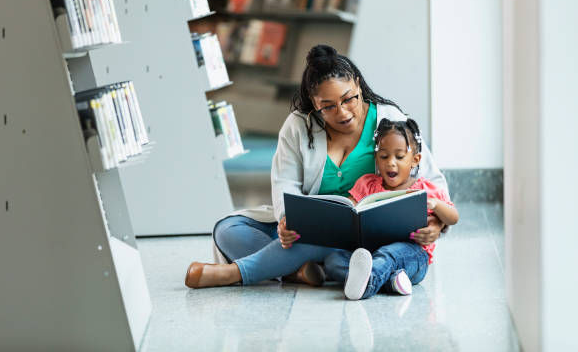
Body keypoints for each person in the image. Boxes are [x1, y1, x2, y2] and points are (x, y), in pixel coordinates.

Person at [184, 45, 450, 289]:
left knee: (313, 243)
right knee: (228, 230)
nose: (343, 113)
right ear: (314, 103)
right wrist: (287, 220)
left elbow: (432, 182)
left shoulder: (389, 120)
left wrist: (436, 223)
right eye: (329, 106)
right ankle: (300, 271)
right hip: (314, 229)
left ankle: (238, 273)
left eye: (349, 99)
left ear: (358, 84)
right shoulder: (298, 126)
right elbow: (285, 182)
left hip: (373, 235)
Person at [327, 118, 459, 300]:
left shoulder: (425, 189)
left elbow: (453, 217)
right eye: (384, 156)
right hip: (370, 252)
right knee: (333, 260)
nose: (390, 163)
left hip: (411, 256)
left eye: (399, 156)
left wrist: (435, 205)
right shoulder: (368, 184)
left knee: (389, 255)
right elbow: (349, 208)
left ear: (415, 160)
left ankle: (367, 283)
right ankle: (391, 282)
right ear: (376, 158)